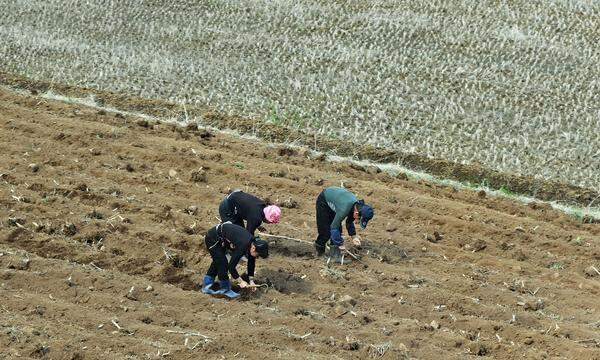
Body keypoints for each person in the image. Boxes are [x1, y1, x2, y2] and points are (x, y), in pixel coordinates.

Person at [201, 222, 269, 299]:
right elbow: (231, 267)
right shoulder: (243, 245)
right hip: (213, 238)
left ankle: (207, 284)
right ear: (253, 248)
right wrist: (241, 281)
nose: (257, 257)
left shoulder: (252, 243)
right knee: (223, 263)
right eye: (258, 255)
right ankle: (225, 289)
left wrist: (251, 280)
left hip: (222, 239)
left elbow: (251, 262)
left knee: (218, 260)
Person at [314, 186, 374, 264]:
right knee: (326, 232)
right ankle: (319, 252)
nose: (357, 221)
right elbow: (333, 227)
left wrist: (353, 236)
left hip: (337, 201)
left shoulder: (356, 206)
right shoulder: (345, 209)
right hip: (324, 200)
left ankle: (335, 256)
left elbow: (349, 221)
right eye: (359, 219)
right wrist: (340, 244)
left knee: (338, 230)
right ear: (356, 213)